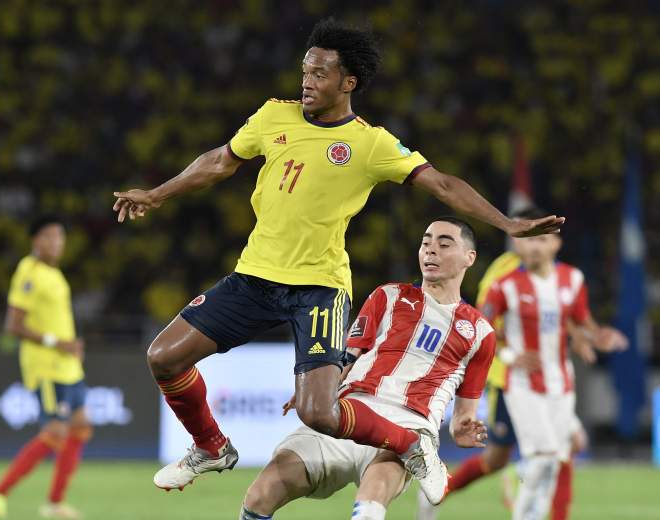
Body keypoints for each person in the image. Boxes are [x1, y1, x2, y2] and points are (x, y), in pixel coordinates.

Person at [112, 18, 563, 492]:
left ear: (349, 83)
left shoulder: (371, 144)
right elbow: (221, 161)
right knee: (164, 357)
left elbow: (443, 184)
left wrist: (509, 224)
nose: (308, 81)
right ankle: (211, 446)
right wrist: (158, 194)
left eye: (321, 74)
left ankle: (411, 445)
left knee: (318, 412)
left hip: (319, 288)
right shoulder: (273, 116)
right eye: (305, 71)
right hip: (254, 277)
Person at [239, 217, 496, 520]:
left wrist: (463, 430)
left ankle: (414, 454)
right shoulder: (387, 296)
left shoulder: (480, 332)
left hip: (410, 424)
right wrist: (319, 387)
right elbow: (346, 359)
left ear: (470, 257)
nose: (431, 251)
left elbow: (463, 416)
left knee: (371, 502)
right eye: (426, 243)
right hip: (348, 411)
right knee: (261, 493)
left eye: (444, 244)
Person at [417, 241, 609, 520]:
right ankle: (439, 491)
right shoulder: (503, 273)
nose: (532, 243)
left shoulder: (557, 275)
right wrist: (509, 355)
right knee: (496, 459)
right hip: (510, 382)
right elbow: (485, 321)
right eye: (526, 235)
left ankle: (540, 489)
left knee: (569, 444)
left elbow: (556, 311)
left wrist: (578, 335)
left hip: (550, 383)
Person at [474, 207, 626, 520]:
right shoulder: (504, 285)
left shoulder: (573, 279)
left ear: (555, 244)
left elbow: (581, 320)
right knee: (542, 458)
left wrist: (597, 336)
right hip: (522, 384)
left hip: (561, 383)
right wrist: (510, 355)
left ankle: (537, 510)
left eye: (542, 239)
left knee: (556, 457)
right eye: (529, 240)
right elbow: (482, 327)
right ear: (517, 244)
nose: (535, 246)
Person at [0, 216, 90, 520]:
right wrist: (59, 343)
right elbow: (13, 325)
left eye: (60, 237)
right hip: (47, 367)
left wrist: (71, 346)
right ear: (35, 240)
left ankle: (54, 504)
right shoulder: (28, 272)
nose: (57, 243)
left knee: (80, 428)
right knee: (55, 433)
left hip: (68, 365)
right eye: (50, 237)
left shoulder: (53, 273)